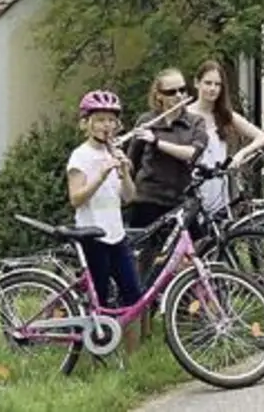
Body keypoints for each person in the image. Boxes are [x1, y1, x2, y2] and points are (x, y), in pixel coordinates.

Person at [65, 89, 144, 353]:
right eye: (99, 119)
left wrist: (123, 171)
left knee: (134, 295)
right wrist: (99, 175)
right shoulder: (81, 156)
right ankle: (92, 355)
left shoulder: (115, 153)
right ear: (86, 123)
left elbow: (129, 197)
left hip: (116, 233)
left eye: (111, 120)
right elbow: (76, 198)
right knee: (97, 299)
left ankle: (134, 358)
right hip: (92, 235)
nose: (106, 125)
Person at [124, 68, 209, 230]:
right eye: (171, 92)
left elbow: (192, 154)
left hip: (181, 200)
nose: (179, 95)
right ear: (159, 95)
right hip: (148, 200)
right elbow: (132, 161)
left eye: (182, 90)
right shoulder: (147, 120)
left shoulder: (196, 122)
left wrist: (156, 142)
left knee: (195, 249)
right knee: (148, 253)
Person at [188, 59, 264, 218]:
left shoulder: (225, 115)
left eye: (217, 84)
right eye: (208, 83)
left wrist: (241, 154)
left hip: (218, 188)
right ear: (197, 83)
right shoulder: (186, 115)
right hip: (192, 187)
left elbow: (263, 138)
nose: (212, 89)